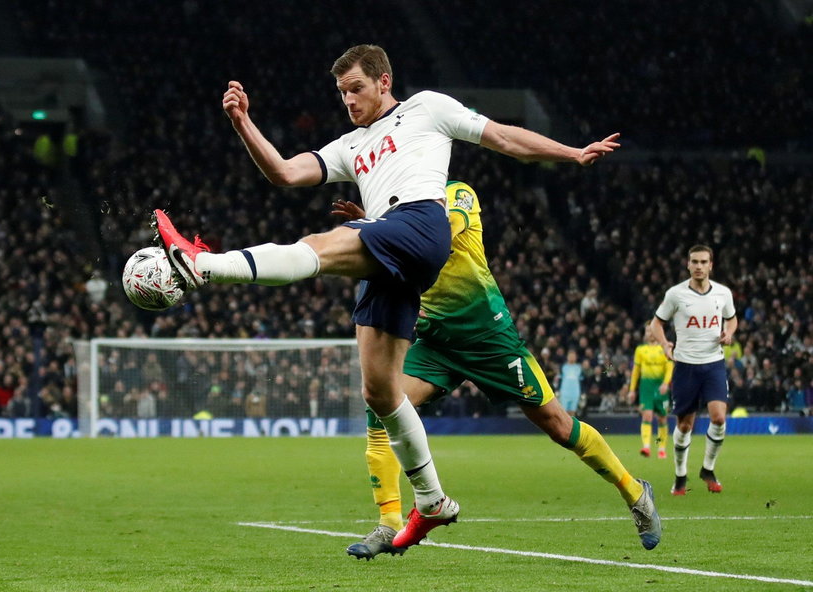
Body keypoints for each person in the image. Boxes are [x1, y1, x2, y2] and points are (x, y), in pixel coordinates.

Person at [153, 44, 621, 549]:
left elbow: (504, 137)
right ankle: (433, 500)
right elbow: (285, 173)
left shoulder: (428, 108)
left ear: (383, 81)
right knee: (380, 394)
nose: (349, 101)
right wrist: (243, 122)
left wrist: (571, 152)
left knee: (315, 246)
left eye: (356, 89)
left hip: (421, 224)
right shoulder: (350, 146)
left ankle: (203, 265)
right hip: (393, 252)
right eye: (341, 93)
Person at [334, 181, 660, 559]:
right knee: (382, 404)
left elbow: (433, 235)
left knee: (558, 425)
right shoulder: (397, 210)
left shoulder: (457, 194)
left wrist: (375, 228)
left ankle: (636, 494)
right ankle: (388, 522)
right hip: (438, 342)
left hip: (490, 339)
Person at [649, 245, 737, 495]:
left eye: (703, 262)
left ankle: (707, 469)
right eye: (694, 262)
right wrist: (665, 343)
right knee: (685, 425)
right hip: (686, 366)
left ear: (711, 265)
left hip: (714, 364)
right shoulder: (676, 294)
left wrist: (729, 333)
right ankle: (680, 476)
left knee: (719, 417)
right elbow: (656, 323)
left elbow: (731, 318)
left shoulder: (723, 293)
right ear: (688, 265)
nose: (699, 266)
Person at [628, 323, 674, 458]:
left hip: (661, 386)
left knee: (662, 418)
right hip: (646, 387)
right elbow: (636, 371)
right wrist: (632, 390)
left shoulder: (664, 348)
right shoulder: (640, 350)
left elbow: (670, 367)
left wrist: (666, 383)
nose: (650, 333)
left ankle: (661, 448)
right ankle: (646, 447)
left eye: (652, 330)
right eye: (647, 330)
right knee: (647, 415)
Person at [556, 349, 583, 416]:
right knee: (563, 413)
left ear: (576, 357)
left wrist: (583, 392)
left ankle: (571, 426)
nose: (572, 357)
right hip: (565, 393)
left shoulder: (579, 368)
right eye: (570, 356)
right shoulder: (563, 367)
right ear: (567, 357)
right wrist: (557, 390)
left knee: (572, 413)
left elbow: (582, 381)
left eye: (573, 356)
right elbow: (559, 379)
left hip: (575, 393)